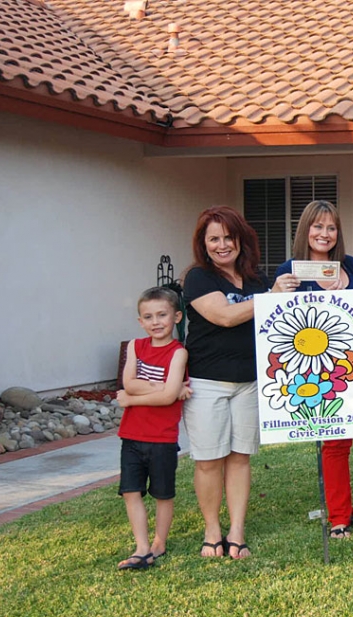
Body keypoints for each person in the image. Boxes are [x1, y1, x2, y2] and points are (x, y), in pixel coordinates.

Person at [275, 200, 353, 538]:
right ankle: (339, 516)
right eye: (318, 227)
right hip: (324, 374)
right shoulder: (289, 270)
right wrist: (276, 292)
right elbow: (278, 326)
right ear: (305, 230)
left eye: (331, 228)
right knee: (337, 444)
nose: (324, 234)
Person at [182, 205, 285, 559]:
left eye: (228, 237)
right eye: (214, 239)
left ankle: (237, 529)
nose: (222, 245)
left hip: (250, 382)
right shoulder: (198, 278)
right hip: (207, 382)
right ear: (203, 244)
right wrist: (270, 298)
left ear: (241, 240)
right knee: (209, 459)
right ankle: (212, 530)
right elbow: (223, 316)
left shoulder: (256, 281)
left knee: (241, 457)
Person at [115, 287, 190, 570]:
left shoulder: (178, 352)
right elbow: (129, 382)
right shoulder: (135, 346)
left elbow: (166, 399)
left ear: (177, 317)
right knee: (131, 491)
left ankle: (159, 542)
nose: (156, 322)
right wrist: (166, 387)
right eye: (148, 316)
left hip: (162, 438)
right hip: (131, 436)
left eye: (162, 315)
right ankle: (142, 547)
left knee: (162, 493)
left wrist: (132, 399)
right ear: (140, 321)